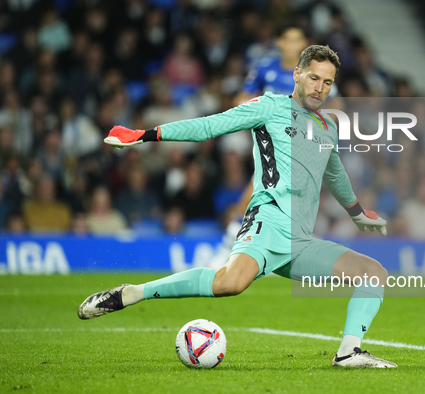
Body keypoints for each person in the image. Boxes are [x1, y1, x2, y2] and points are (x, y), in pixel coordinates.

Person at [78, 45, 395, 369]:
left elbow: (334, 171)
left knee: (373, 273)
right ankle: (131, 293)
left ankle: (348, 353)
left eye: (327, 83)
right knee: (229, 283)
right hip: (269, 219)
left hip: (299, 240)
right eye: (314, 78)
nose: (320, 88)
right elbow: (211, 126)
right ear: (297, 74)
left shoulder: (327, 126)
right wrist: (146, 135)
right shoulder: (270, 106)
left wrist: (357, 212)